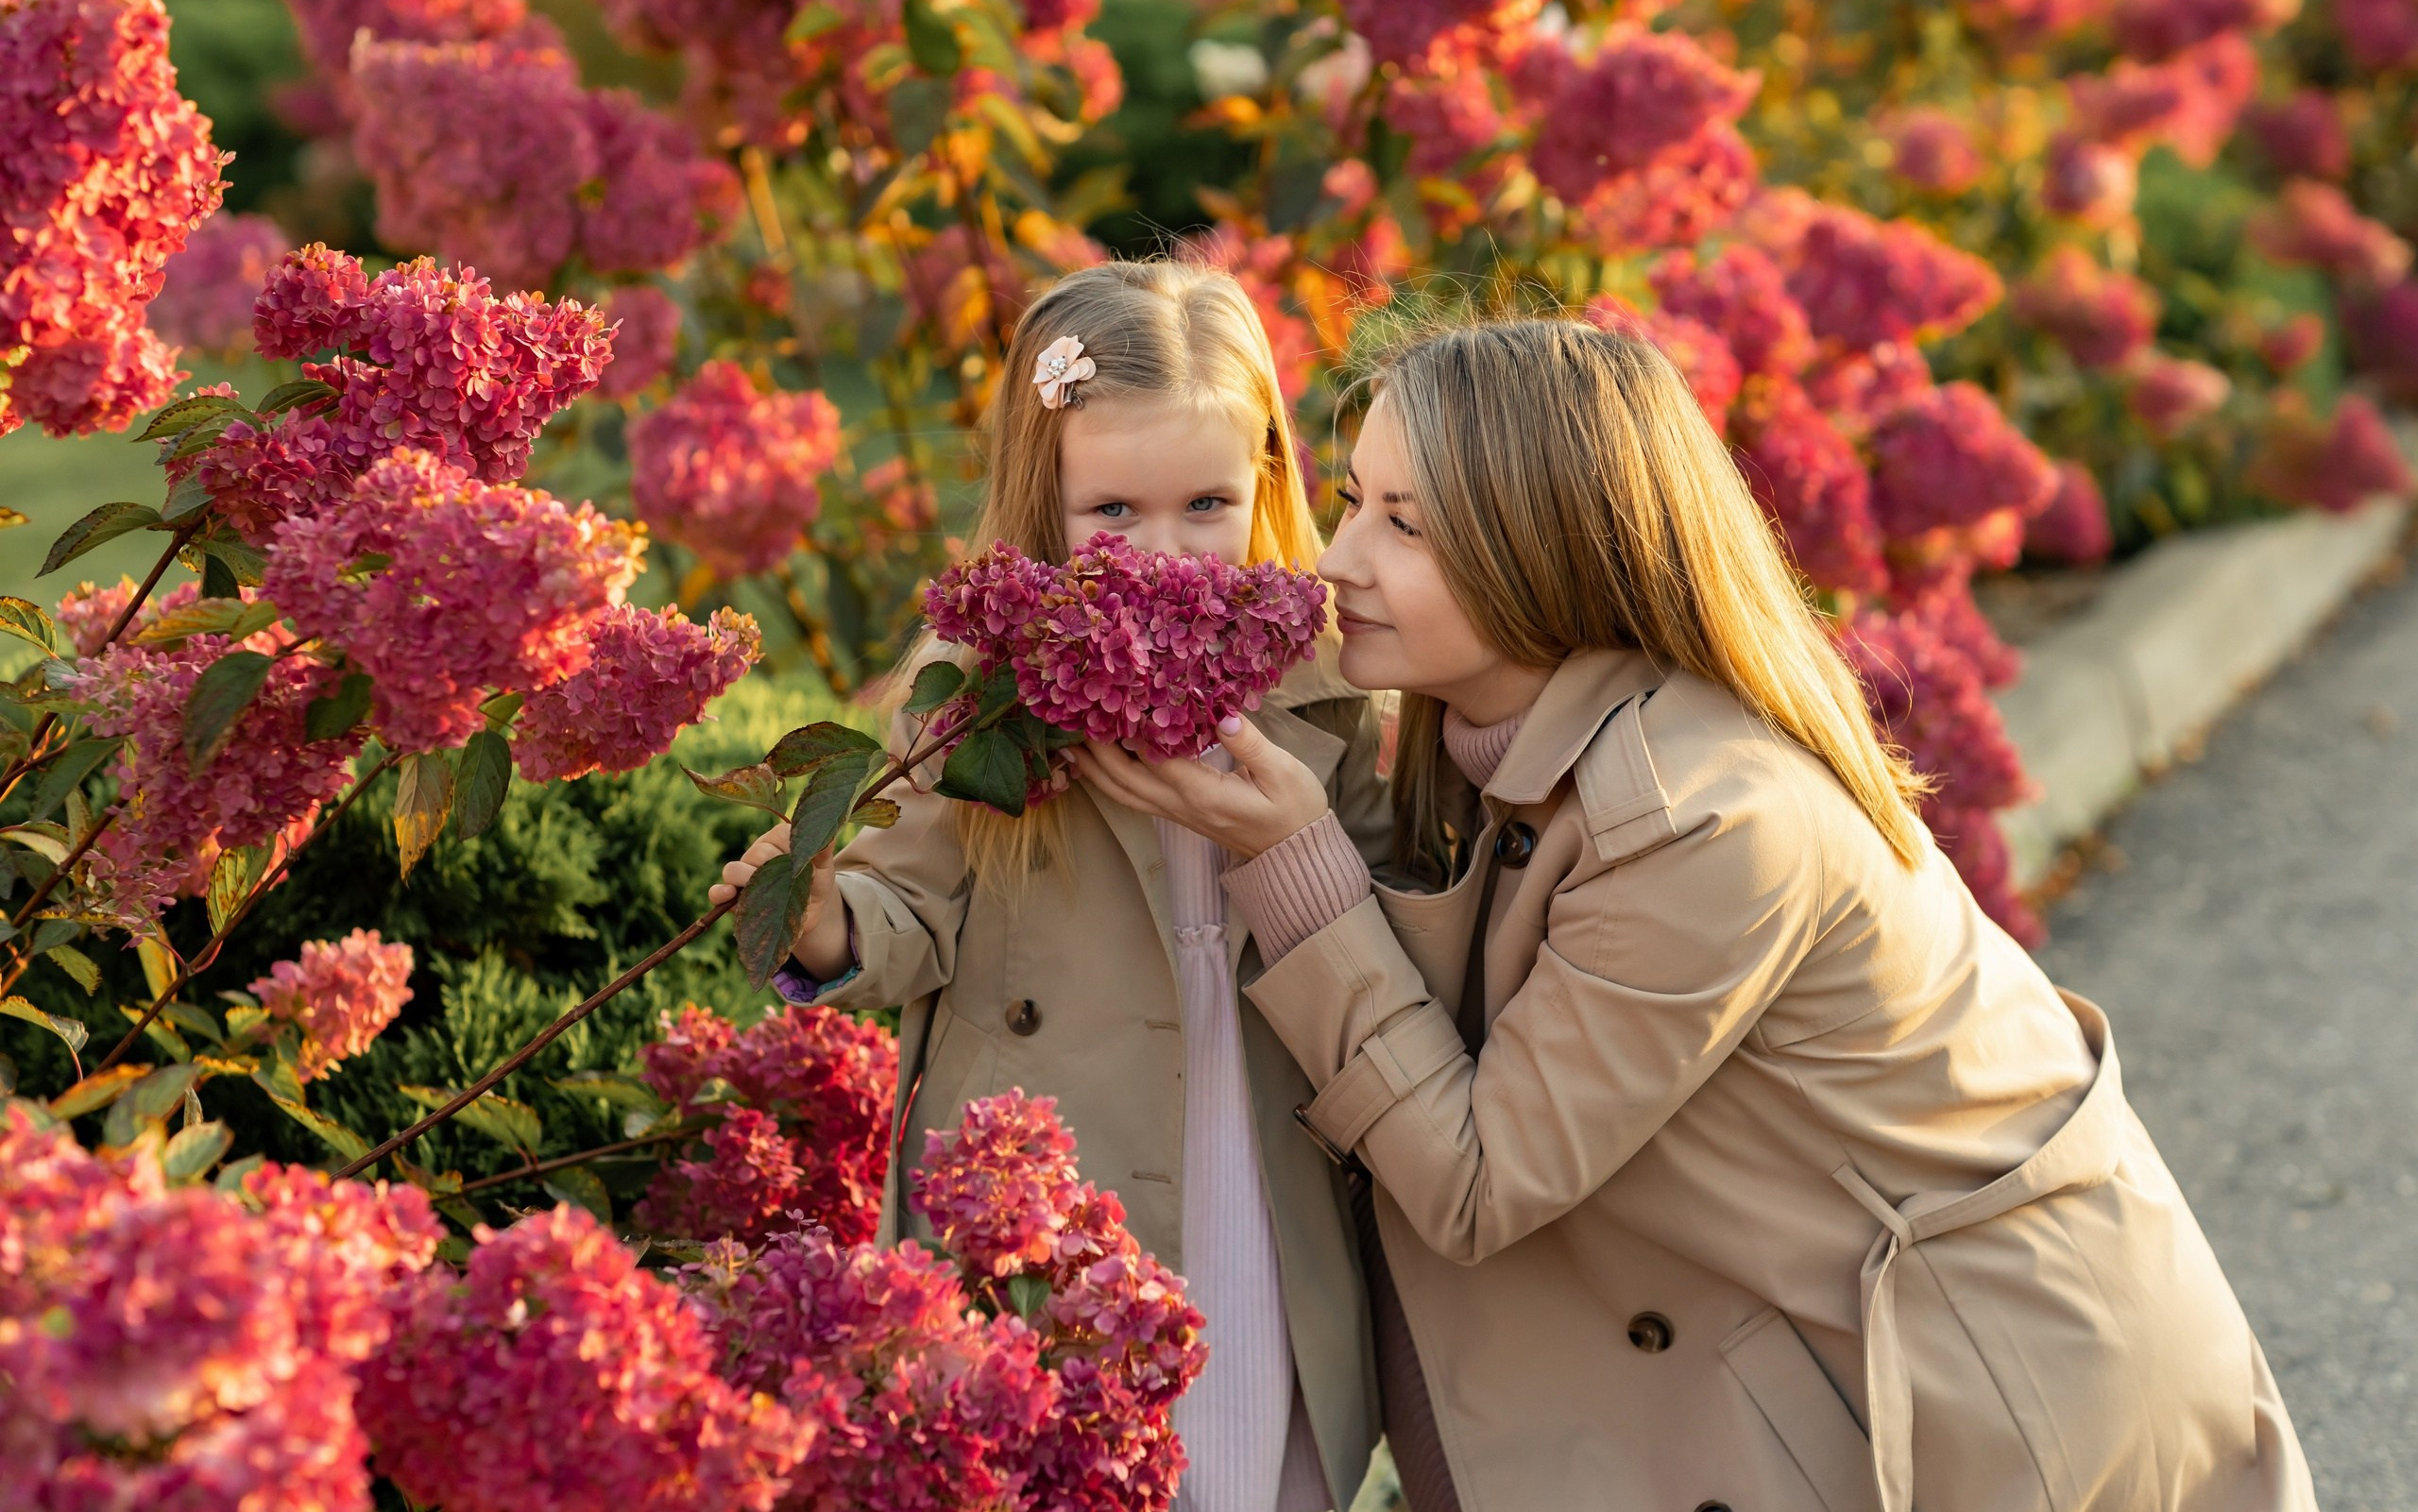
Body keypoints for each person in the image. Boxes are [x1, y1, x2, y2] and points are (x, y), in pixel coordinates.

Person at [1079, 317, 2318, 1512]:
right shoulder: (1516, 747)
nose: (1340, 560)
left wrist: (1295, 863)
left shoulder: (1696, 821)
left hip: (1991, 1425)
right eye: (1355, 501)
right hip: (1847, 1372)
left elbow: (1476, 1182)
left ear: (1554, 550)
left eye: (1405, 524)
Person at [711, 262, 1383, 1512]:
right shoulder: (977, 692)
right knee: (1068, 1445)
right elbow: (908, 912)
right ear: (1045, 500)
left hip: (1255, 1135)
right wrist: (822, 919)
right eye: (1114, 511)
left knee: (1246, 1437)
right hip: (1060, 1166)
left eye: (1208, 504)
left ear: (1269, 489)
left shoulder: (1332, 690)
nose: (1166, 553)